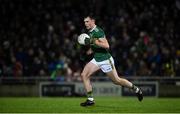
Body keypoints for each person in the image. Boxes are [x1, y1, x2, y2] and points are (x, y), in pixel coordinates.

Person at [80, 15, 143, 107]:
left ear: (93, 21)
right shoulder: (91, 31)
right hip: (97, 59)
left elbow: (106, 46)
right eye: (84, 22)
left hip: (106, 60)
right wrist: (89, 51)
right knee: (84, 75)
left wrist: (93, 41)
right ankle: (90, 99)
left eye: (87, 21)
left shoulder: (99, 31)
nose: (85, 24)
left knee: (117, 81)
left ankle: (136, 89)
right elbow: (94, 45)